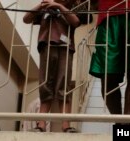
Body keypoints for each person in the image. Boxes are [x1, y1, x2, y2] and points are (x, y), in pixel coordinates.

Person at [23, 0, 86, 132]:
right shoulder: (45, 9)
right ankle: (41, 125)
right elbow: (26, 19)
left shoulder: (72, 10)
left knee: (64, 86)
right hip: (46, 46)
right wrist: (42, 5)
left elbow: (75, 22)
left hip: (66, 48)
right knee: (46, 85)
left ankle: (66, 125)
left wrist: (59, 6)